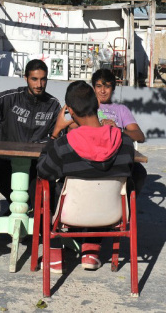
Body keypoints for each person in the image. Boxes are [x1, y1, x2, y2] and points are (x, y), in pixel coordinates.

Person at [36, 80, 136, 272]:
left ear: (70, 112)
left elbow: (43, 171)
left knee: (41, 187)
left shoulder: (64, 145)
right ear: (97, 104)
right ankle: (91, 250)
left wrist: (55, 133)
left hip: (69, 214)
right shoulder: (125, 143)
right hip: (111, 215)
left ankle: (55, 252)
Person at [91, 68, 147, 194]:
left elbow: (140, 136)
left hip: (117, 157)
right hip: (93, 156)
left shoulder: (121, 109)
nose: (103, 91)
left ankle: (126, 208)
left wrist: (118, 130)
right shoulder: (88, 107)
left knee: (139, 173)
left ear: (113, 89)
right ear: (93, 88)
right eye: (99, 86)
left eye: (107, 87)